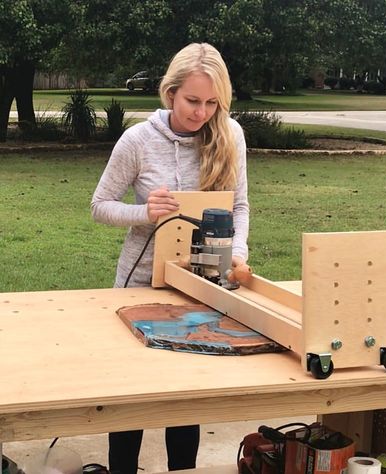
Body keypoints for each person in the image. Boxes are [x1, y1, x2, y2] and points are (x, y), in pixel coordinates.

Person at [91, 43, 249, 473]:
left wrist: (237, 253)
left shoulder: (230, 135)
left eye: (212, 102)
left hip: (202, 285)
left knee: (185, 396)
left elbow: (239, 208)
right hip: (140, 284)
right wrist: (144, 212)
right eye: (192, 101)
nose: (201, 113)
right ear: (169, 93)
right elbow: (100, 204)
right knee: (132, 399)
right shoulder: (138, 140)